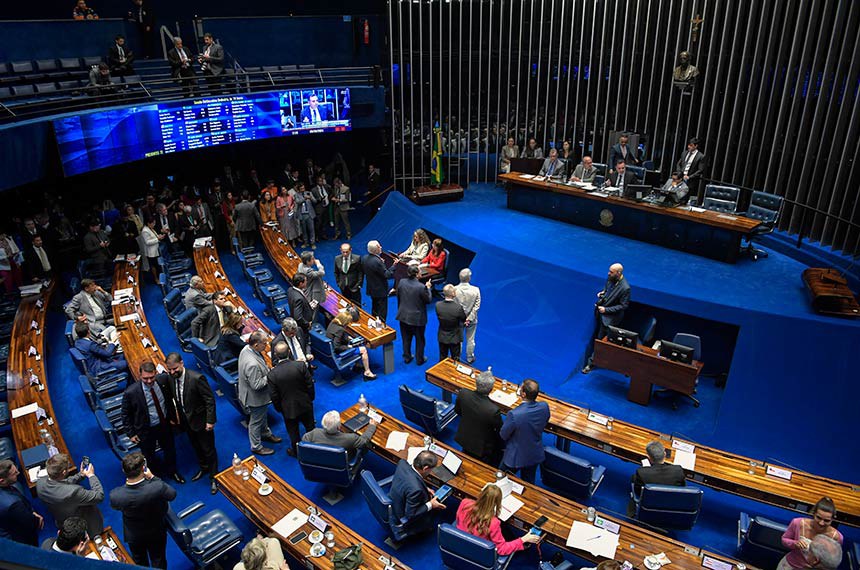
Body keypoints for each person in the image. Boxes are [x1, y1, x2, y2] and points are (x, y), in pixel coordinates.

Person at [162, 353, 219, 494]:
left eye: (175, 369)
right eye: (170, 370)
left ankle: (214, 477)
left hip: (202, 420)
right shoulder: (170, 378)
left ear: (182, 363)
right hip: (186, 421)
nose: (172, 372)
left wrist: (210, 420)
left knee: (208, 450)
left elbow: (209, 400)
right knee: (196, 446)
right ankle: (203, 467)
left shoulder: (197, 378)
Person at [109, 451, 176, 569]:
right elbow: (172, 495)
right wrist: (152, 477)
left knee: (139, 562)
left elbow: (116, 507)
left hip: (134, 534)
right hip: (156, 530)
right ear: (144, 468)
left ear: (124, 471)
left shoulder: (116, 495)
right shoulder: (157, 486)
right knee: (158, 559)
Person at [122, 361, 181, 482]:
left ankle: (173, 471)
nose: (149, 381)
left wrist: (173, 418)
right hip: (145, 429)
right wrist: (131, 433)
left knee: (170, 450)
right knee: (149, 455)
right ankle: (154, 477)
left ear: (156, 373)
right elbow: (125, 414)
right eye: (145, 378)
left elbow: (169, 400)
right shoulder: (131, 392)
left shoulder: (163, 380)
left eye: (151, 377)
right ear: (140, 376)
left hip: (164, 425)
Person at [456, 483, 540, 555]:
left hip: (460, 541)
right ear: (497, 503)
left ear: (481, 494)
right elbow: (501, 549)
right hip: (479, 551)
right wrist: (524, 539)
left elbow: (458, 520)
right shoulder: (493, 522)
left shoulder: (465, 502)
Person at [36, 454, 104, 536]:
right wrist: (91, 476)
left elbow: (61, 483)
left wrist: (80, 475)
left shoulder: (39, 483)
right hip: (81, 522)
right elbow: (99, 496)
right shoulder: (73, 492)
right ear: (64, 472)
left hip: (61, 518)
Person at [267, 341, 315, 457]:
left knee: (293, 433)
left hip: (288, 408)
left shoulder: (272, 374)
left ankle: (296, 452)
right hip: (305, 403)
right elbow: (310, 384)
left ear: (275, 355)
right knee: (311, 428)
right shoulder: (300, 366)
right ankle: (316, 449)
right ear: (289, 352)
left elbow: (274, 395)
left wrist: (280, 408)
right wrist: (310, 398)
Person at [582, 263, 631, 373]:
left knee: (601, 341)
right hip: (600, 314)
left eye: (611, 272)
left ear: (618, 273)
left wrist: (606, 310)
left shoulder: (625, 288)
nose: (608, 273)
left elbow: (623, 306)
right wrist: (603, 294)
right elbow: (607, 290)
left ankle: (591, 363)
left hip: (609, 319)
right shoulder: (611, 278)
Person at [239, 331, 281, 456]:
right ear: (256, 345)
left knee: (262, 416)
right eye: (264, 343)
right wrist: (270, 374)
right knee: (255, 421)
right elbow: (256, 385)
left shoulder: (247, 349)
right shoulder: (252, 364)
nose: (266, 345)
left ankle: (266, 434)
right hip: (255, 398)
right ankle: (256, 446)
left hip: (254, 394)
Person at [499, 379, 550, 483]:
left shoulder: (514, 414)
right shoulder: (544, 407)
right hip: (533, 454)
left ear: (523, 394)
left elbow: (503, 435)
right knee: (528, 484)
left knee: (500, 479)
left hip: (514, 457)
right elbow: (544, 421)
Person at [390, 450, 445, 537]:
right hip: (401, 514)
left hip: (395, 498)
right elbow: (411, 515)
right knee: (434, 513)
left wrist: (425, 488)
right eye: (431, 470)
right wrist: (431, 504)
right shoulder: (416, 490)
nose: (431, 472)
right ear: (425, 468)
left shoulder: (402, 463)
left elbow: (408, 482)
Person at [778, 497, 844, 570]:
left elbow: (832, 562)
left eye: (826, 520)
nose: (821, 523)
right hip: (790, 566)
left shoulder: (837, 537)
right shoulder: (797, 523)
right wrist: (795, 543)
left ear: (832, 519)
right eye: (818, 518)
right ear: (813, 514)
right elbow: (784, 539)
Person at [454, 372, 502, 465]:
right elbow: (500, 430)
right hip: (482, 447)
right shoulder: (493, 410)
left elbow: (458, 411)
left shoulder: (463, 393)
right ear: (491, 389)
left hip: (464, 436)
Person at [627, 441, 685, 515]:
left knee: (633, 478)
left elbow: (638, 492)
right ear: (665, 454)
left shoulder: (642, 472)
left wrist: (646, 469)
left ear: (648, 458)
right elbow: (682, 488)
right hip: (671, 503)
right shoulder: (678, 470)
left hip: (650, 503)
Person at [0, 459, 44, 545]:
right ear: (2, 481)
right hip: (19, 536)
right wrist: (36, 518)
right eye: (14, 473)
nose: (18, 473)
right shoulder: (13, 504)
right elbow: (30, 523)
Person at [396, 263, 432, 365]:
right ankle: (419, 359)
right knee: (420, 339)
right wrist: (428, 288)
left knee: (406, 338)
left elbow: (398, 296)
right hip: (417, 319)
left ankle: (407, 357)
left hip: (403, 315)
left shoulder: (402, 282)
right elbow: (428, 300)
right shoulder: (421, 287)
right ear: (417, 274)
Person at [303, 410, 378, 459]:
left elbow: (304, 442)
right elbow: (364, 441)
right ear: (339, 427)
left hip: (321, 461)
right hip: (343, 462)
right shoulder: (350, 438)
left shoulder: (314, 433)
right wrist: (372, 426)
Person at [326, 309, 376, 379]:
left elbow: (336, 337)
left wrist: (347, 338)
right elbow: (337, 347)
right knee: (363, 349)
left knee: (356, 342)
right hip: (338, 353)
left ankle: (357, 365)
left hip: (329, 349)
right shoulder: (340, 329)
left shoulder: (333, 322)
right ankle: (367, 372)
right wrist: (349, 346)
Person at [454, 268, 481, 364]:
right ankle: (470, 357)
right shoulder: (476, 290)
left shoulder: (454, 289)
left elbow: (453, 306)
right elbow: (476, 306)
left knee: (458, 339)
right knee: (471, 339)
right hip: (472, 320)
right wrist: (469, 319)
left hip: (458, 320)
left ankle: (457, 356)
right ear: (469, 278)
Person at [363, 240, 394, 322]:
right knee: (382, 311)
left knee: (375, 308)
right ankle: (382, 326)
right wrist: (394, 266)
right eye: (379, 246)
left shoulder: (365, 258)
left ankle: (374, 323)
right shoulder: (377, 261)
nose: (381, 247)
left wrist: (380, 263)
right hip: (380, 290)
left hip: (371, 288)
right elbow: (387, 275)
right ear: (376, 249)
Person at [436, 284, 466, 362]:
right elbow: (463, 318)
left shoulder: (438, 305)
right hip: (454, 338)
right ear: (453, 294)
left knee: (442, 358)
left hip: (442, 336)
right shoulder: (458, 308)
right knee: (455, 359)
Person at [675, 137, 706, 202]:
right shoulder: (684, 153)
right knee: (675, 196)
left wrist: (689, 177)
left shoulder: (700, 156)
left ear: (696, 146)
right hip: (680, 178)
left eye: (691, 145)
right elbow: (678, 164)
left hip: (689, 181)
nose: (689, 147)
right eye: (688, 145)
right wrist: (679, 173)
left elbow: (700, 170)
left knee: (685, 200)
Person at [294, 182, 316, 248]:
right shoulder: (296, 195)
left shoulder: (309, 193)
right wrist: (304, 198)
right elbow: (298, 202)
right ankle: (305, 242)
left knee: (311, 229)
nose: (303, 189)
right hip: (302, 214)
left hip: (309, 214)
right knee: (304, 230)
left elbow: (315, 201)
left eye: (303, 188)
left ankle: (312, 243)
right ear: (299, 189)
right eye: (301, 189)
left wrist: (311, 198)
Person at [311, 175, 332, 241]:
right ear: (317, 182)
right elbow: (313, 201)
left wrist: (329, 198)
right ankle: (316, 236)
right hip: (319, 208)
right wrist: (319, 199)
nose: (321, 182)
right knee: (318, 223)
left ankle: (324, 235)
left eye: (322, 181)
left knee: (324, 222)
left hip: (326, 207)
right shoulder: (313, 190)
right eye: (320, 181)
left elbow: (331, 191)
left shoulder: (326, 187)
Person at [140, 216, 161, 281]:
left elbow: (154, 236)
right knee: (153, 266)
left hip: (155, 250)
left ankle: (159, 277)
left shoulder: (150, 228)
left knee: (157, 265)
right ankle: (156, 279)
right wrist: (157, 239)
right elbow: (147, 242)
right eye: (153, 223)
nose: (154, 225)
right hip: (151, 252)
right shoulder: (145, 231)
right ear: (148, 223)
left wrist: (159, 237)